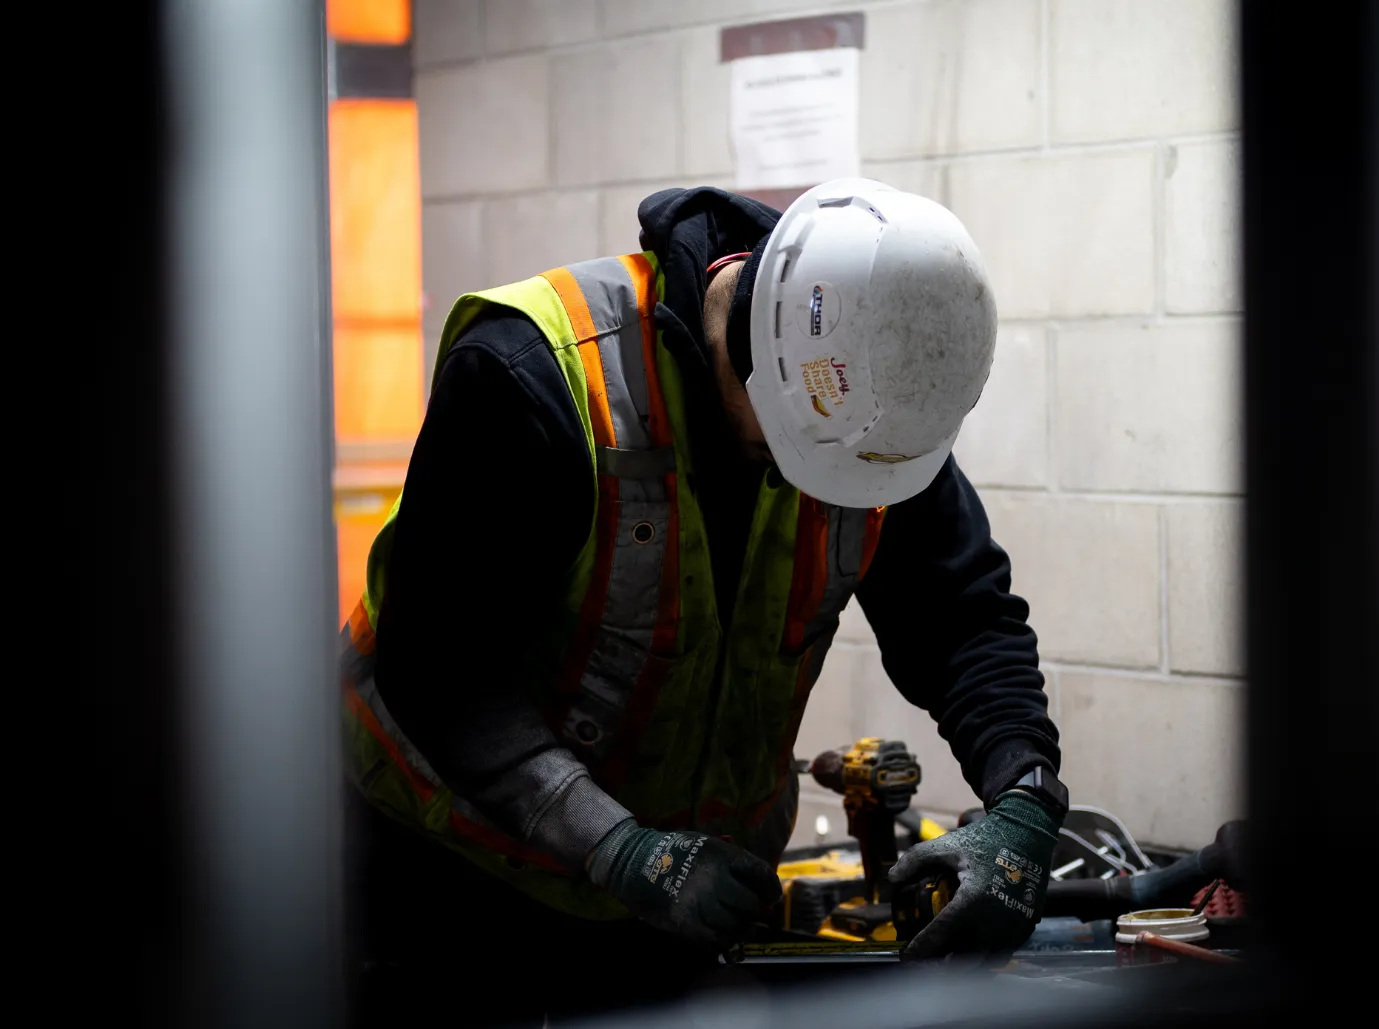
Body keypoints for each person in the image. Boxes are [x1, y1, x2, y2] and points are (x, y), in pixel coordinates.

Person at [341, 180, 1069, 1024]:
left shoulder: (863, 409)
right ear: (754, 349)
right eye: (790, 455)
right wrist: (619, 847)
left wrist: (1024, 797)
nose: (816, 489)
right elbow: (441, 671)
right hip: (441, 881)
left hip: (671, 907)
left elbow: (961, 616)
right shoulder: (532, 373)